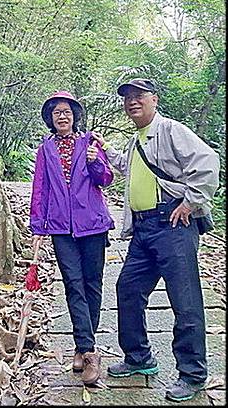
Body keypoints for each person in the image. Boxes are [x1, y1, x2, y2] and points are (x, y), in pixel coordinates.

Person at [92, 78, 220, 402]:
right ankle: (139, 357)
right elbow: (130, 169)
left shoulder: (171, 130)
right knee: (128, 288)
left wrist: (190, 202)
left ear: (154, 99)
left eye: (139, 96)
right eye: (128, 98)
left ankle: (192, 374)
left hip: (173, 227)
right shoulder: (138, 140)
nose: (132, 102)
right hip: (144, 230)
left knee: (184, 300)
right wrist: (107, 150)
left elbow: (207, 163)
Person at [29, 90, 115, 385]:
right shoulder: (46, 149)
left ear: (74, 116)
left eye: (66, 111)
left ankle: (82, 345)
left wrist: (95, 161)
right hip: (60, 228)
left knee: (93, 285)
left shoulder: (89, 142)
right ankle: (90, 352)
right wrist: (38, 228)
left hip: (92, 224)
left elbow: (105, 179)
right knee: (73, 285)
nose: (62, 116)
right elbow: (40, 189)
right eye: (56, 113)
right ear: (51, 120)